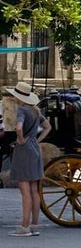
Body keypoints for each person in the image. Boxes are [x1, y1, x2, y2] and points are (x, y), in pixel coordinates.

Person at [6, 81, 51, 236]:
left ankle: (24, 227)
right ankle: (34, 225)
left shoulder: (22, 110)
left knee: (25, 191)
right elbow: (48, 127)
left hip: (24, 149)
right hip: (35, 148)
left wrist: (20, 139)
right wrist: (37, 140)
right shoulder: (36, 111)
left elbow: (19, 127)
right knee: (33, 190)